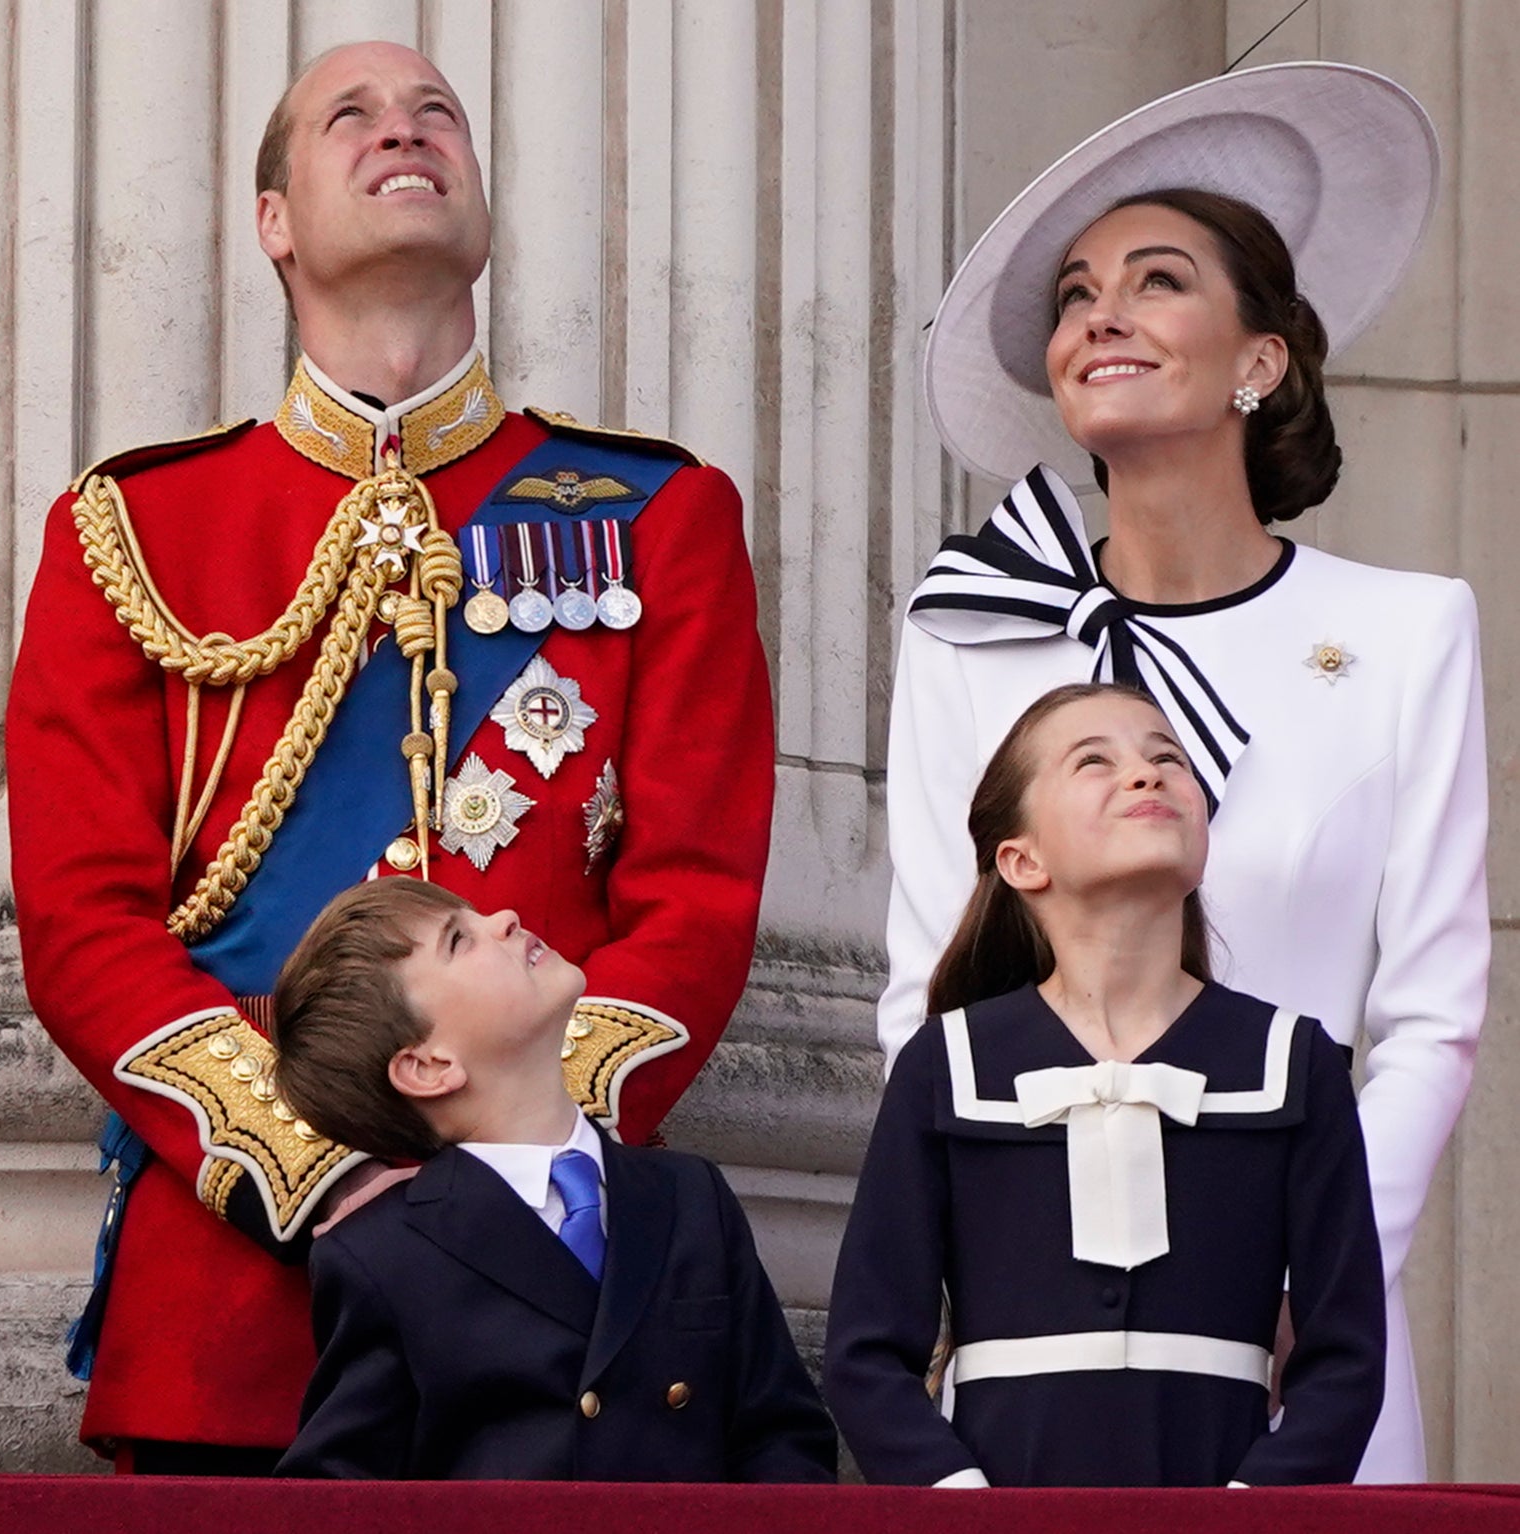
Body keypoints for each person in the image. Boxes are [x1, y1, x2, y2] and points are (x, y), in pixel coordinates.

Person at [5, 40, 776, 1472]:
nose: (404, 131)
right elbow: (79, 920)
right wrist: (316, 1161)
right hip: (233, 1302)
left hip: (563, 1307)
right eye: (348, 116)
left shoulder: (659, 512)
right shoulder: (133, 530)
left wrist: (519, 1144)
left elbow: (699, 897)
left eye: (440, 115)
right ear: (275, 221)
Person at [882, 63, 1479, 1481]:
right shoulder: (971, 634)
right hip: (1041, 1324)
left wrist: (1313, 1271)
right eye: (1078, 293)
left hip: (1305, 1335)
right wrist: (996, 1265)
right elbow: (928, 997)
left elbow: (1433, 1014)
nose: (1101, 314)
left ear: (1261, 358)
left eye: (1157, 281)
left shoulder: (1405, 631)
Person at [831, 683, 1384, 1486]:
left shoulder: (1292, 1061)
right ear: (1021, 859)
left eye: (1169, 758)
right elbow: (866, 1355)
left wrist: (1257, 1508)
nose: (1147, 775)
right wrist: (957, 1502)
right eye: (1096, 761)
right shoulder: (945, 1065)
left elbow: (1345, 1358)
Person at [266, 879, 833, 1481]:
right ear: (428, 1066)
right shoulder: (382, 1254)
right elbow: (337, 1497)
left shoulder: (689, 1194)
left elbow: (781, 1439)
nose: (506, 916)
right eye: (459, 940)